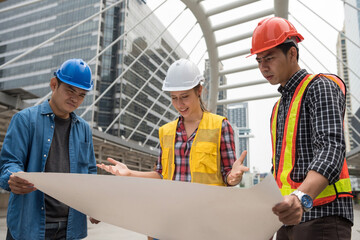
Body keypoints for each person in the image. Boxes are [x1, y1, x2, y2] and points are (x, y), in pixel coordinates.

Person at [97, 58, 249, 238]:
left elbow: (228, 175)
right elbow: (162, 175)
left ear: (199, 90)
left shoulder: (220, 127)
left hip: (205, 225)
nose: (179, 104)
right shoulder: (166, 132)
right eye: (174, 98)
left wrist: (233, 177)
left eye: (185, 97)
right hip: (170, 222)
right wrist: (130, 173)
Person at [249, 17, 353, 239]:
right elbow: (280, 170)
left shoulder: (320, 87)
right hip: (287, 221)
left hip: (322, 215)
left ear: (292, 54)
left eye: (269, 58)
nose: (263, 66)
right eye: (258, 60)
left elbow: (331, 148)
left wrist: (301, 198)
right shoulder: (278, 108)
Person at [0, 59, 99, 240]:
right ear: (54, 84)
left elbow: (90, 172)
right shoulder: (25, 120)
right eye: (70, 90)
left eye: (82, 94)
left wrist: (94, 205)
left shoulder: (84, 129)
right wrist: (13, 177)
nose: (75, 98)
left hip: (70, 227)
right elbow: (9, 162)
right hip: (29, 225)